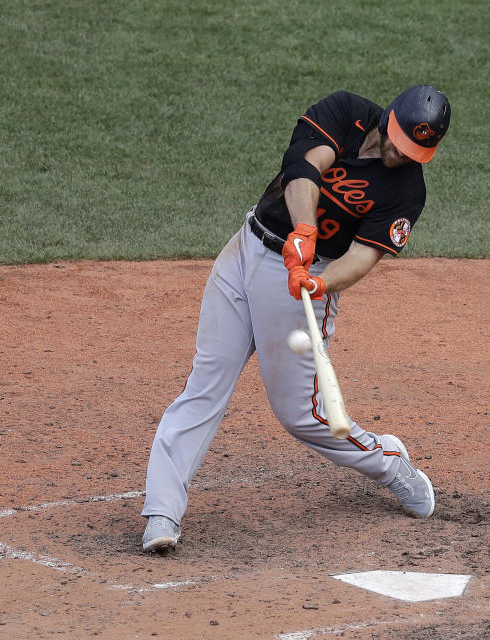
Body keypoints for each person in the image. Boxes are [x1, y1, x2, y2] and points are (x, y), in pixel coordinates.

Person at [140, 85, 452, 552]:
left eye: (414, 152)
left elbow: (364, 257)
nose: (400, 157)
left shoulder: (407, 190)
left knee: (303, 416)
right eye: (398, 143)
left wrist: (321, 283)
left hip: (304, 278)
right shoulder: (346, 112)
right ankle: (162, 514)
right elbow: (303, 166)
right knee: (206, 383)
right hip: (246, 248)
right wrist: (303, 228)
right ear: (388, 119)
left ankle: (389, 463)